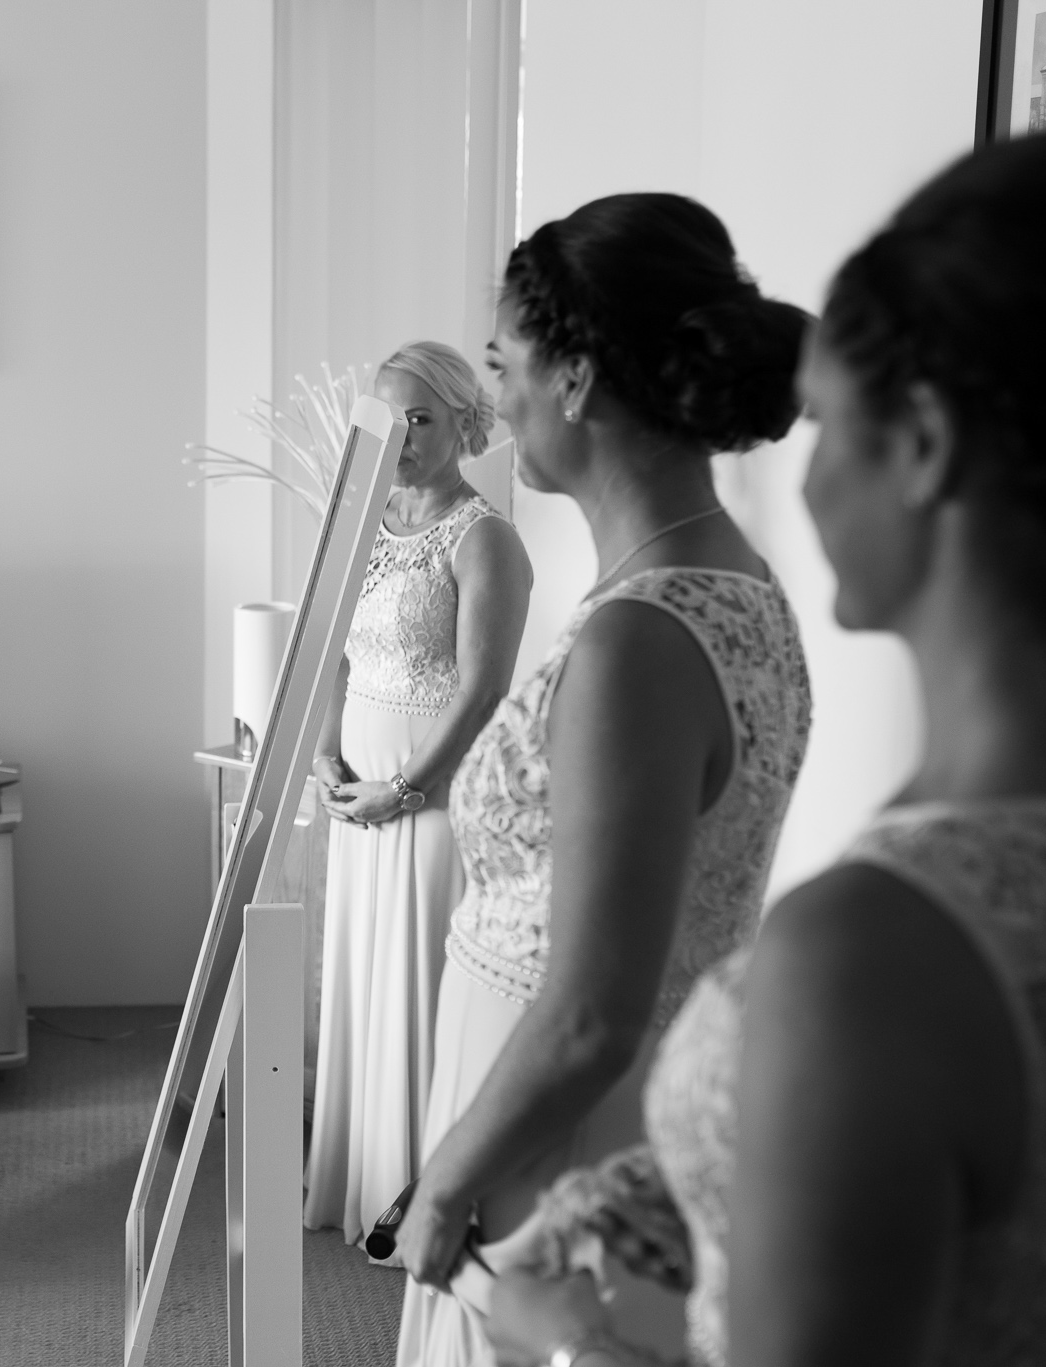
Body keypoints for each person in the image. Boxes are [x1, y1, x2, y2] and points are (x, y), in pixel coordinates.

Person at [483, 133, 1046, 1367]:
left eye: (827, 419)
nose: (801, 467)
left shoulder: (876, 952)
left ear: (918, 443)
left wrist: (558, 1340)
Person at [390, 195, 814, 1366]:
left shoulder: (643, 634)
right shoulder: (732, 583)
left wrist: (445, 1182)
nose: (497, 398)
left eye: (502, 364)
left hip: (564, 1132)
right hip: (591, 1100)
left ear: (573, 375)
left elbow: (587, 1010)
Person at [305, 341, 531, 1247]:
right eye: (389, 418)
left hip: (433, 802)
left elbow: (483, 689)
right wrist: (325, 755)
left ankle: (421, 1200)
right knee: (362, 977)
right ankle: (359, 1176)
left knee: (426, 983)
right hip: (357, 798)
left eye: (421, 419)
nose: (400, 437)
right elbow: (328, 648)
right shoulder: (361, 521)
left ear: (461, 423)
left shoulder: (487, 539)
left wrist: (404, 788)